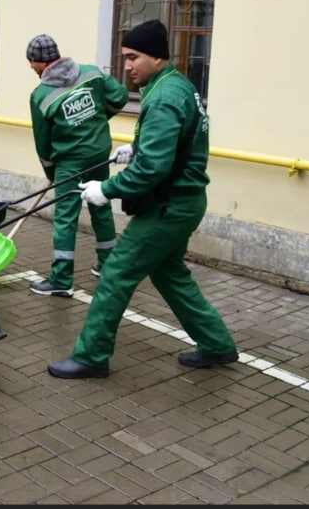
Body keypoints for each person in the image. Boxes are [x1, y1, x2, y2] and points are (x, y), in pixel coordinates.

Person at [47, 19, 236, 379]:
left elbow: (152, 169)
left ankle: (91, 357)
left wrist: (106, 189)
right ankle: (216, 344)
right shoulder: (176, 85)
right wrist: (136, 148)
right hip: (185, 201)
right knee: (169, 274)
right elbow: (175, 143)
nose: (127, 66)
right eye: (124, 57)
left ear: (157, 57)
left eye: (133, 57)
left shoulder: (164, 96)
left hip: (169, 206)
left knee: (116, 274)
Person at [25, 33, 129, 297]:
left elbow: (44, 143)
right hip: (99, 153)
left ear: (41, 62)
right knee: (100, 205)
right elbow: (119, 96)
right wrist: (96, 119)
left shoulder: (41, 95)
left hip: (70, 162)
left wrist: (52, 172)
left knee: (65, 218)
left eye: (31, 62)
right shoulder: (91, 73)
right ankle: (107, 265)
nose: (30, 67)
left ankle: (61, 279)